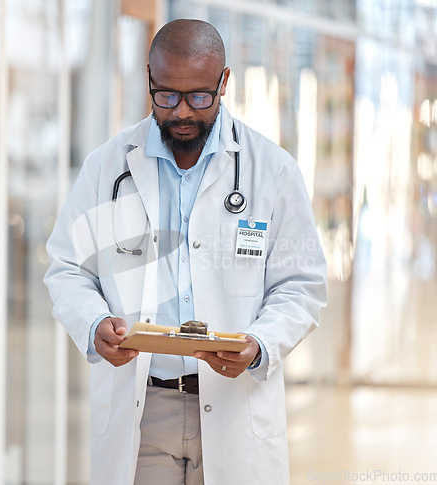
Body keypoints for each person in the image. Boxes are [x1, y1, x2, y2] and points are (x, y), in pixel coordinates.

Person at [45, 18, 327, 485]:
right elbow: (67, 269)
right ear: (149, 79)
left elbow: (302, 285)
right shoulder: (107, 168)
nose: (182, 112)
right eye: (167, 95)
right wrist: (94, 324)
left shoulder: (272, 171)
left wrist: (259, 344)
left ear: (223, 83)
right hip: (143, 407)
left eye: (199, 96)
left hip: (234, 405)